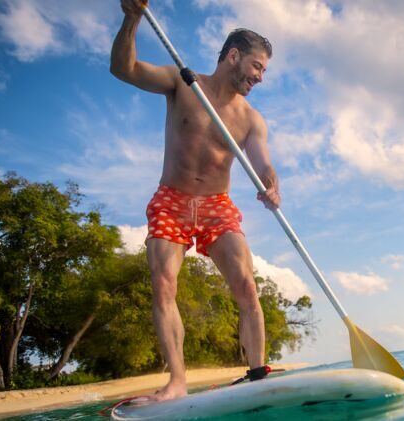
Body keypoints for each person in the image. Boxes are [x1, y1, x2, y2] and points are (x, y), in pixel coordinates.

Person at [111, 0, 280, 401]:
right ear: (233, 56)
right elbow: (124, 70)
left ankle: (258, 376)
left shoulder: (252, 119)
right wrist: (132, 18)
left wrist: (271, 185)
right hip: (171, 199)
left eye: (264, 71)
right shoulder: (182, 83)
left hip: (217, 205)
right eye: (257, 66)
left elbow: (264, 165)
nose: (260, 76)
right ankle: (178, 383)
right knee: (163, 284)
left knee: (246, 286)